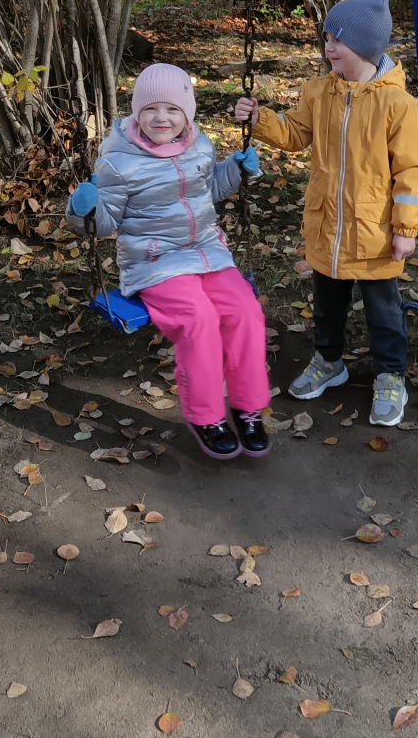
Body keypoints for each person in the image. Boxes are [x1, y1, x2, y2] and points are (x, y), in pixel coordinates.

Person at [235, 0, 418, 428]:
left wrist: (405, 229)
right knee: (327, 304)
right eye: (327, 38)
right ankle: (329, 360)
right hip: (327, 225)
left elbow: (411, 171)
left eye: (338, 40)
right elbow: (294, 134)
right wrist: (260, 119)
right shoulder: (319, 92)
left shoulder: (397, 104)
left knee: (383, 311)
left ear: (364, 46)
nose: (329, 47)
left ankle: (390, 375)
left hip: (375, 230)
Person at [66, 63, 271, 461]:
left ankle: (247, 407)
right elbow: (105, 223)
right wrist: (83, 210)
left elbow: (209, 189)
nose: (162, 118)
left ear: (187, 114)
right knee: (199, 320)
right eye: (151, 109)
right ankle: (207, 416)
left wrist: (234, 170)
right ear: (137, 112)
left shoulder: (199, 145)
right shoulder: (118, 162)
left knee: (246, 310)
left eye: (173, 109)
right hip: (155, 262)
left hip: (208, 251)